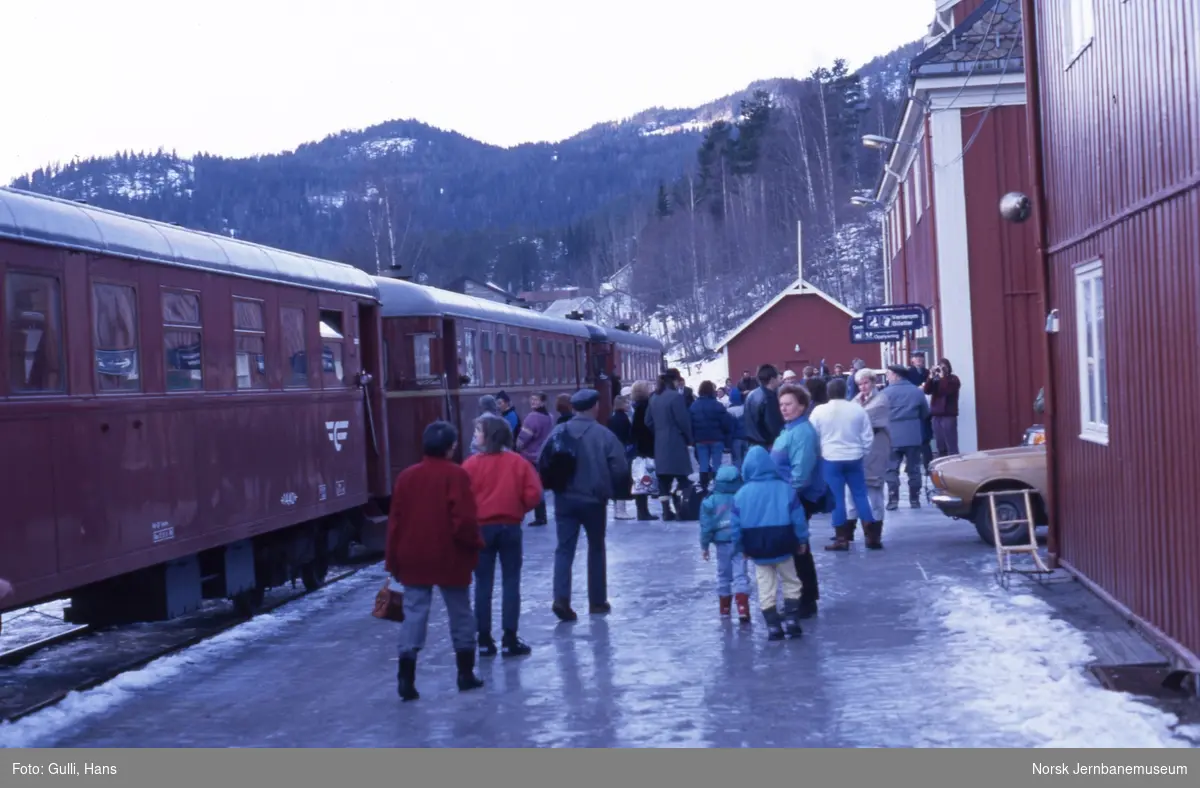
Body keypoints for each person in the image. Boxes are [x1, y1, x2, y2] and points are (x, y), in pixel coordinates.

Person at [386, 421, 485, 702]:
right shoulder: (456, 476)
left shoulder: (406, 477)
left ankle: (406, 677)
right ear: (450, 447)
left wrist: (392, 559)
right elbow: (464, 520)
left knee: (414, 613)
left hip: (413, 555)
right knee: (460, 613)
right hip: (450, 555)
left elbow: (396, 521)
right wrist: (474, 545)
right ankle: (465, 674)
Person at [539, 388, 629, 622]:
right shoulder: (604, 435)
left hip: (564, 500)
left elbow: (542, 460)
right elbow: (620, 467)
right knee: (596, 548)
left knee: (564, 549)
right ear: (594, 407)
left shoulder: (558, 431)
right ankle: (597, 602)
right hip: (594, 501)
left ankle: (561, 599)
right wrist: (610, 488)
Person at [462, 416, 542, 659]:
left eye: (478, 431)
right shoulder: (517, 463)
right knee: (511, 582)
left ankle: (484, 640)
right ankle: (509, 638)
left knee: (483, 585)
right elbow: (534, 494)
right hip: (509, 527)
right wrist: (517, 509)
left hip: (481, 529)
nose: (475, 435)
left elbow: (462, 497)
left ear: (489, 436)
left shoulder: (470, 466)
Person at [729, 445, 812, 641]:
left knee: (766, 586)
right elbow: (798, 519)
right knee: (791, 580)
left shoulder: (740, 495)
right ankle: (792, 620)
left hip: (757, 547)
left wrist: (741, 548)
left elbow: (735, 527)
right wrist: (802, 540)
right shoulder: (786, 489)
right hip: (784, 543)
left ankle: (773, 626)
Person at [768, 382, 824, 618]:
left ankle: (805, 600)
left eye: (789, 404)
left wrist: (787, 500)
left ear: (802, 406)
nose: (784, 408)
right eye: (781, 404)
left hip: (796, 497)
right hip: (787, 496)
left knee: (798, 548)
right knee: (796, 548)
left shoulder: (802, 432)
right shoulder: (790, 429)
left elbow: (801, 474)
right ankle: (803, 598)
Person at [810, 378, 877, 551]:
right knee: (860, 494)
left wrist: (818, 454)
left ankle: (841, 538)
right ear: (846, 391)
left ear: (828, 392)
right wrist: (863, 452)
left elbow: (813, 436)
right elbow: (868, 435)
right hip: (854, 457)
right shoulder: (857, 409)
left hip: (831, 458)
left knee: (837, 498)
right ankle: (872, 535)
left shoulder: (819, 411)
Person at [845, 367, 892, 549]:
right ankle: (847, 532)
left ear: (872, 382)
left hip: (876, 447)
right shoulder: (856, 400)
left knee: (874, 492)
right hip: (858, 451)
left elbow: (866, 418)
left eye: (865, 382)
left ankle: (873, 535)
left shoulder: (881, 400)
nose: (863, 387)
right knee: (852, 491)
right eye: (859, 384)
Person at [699, 465, 750, 622]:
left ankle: (725, 609)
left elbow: (706, 526)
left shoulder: (710, 500)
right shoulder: (743, 497)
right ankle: (742, 608)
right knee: (741, 575)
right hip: (740, 542)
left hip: (721, 544)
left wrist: (705, 546)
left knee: (723, 575)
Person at [646, 371, 695, 521]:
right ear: (674, 381)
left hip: (660, 443)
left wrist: (659, 432)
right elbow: (683, 421)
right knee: (682, 479)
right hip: (676, 442)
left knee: (663, 481)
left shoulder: (654, 397)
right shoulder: (675, 397)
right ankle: (682, 509)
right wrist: (689, 438)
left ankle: (666, 511)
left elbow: (647, 421)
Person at [884, 365, 931, 510]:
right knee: (914, 469)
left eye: (889, 374)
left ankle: (893, 500)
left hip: (892, 435)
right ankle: (915, 499)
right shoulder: (917, 392)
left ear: (897, 375)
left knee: (891, 469)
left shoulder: (885, 393)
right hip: (913, 434)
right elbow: (925, 413)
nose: (887, 377)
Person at [515, 391, 554, 525]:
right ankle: (541, 516)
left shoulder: (532, 417)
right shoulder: (549, 417)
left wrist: (517, 448)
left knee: (527, 486)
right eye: (532, 400)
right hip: (542, 456)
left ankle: (529, 515)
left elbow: (523, 439)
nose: (533, 402)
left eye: (536, 400)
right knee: (539, 486)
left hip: (530, 457)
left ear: (543, 402)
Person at [689, 380, 731, 490]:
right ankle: (718, 485)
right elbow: (726, 422)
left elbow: (690, 423)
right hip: (716, 439)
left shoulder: (694, 406)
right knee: (717, 463)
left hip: (700, 440)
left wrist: (693, 438)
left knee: (703, 463)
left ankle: (704, 486)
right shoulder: (718, 405)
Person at [629, 380, 659, 521]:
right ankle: (643, 511)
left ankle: (642, 510)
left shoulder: (636, 407)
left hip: (639, 447)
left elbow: (634, 431)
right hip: (646, 447)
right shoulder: (646, 407)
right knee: (644, 478)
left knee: (641, 479)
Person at [923, 358, 961, 457]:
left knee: (951, 444)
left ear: (949, 368)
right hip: (936, 415)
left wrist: (943, 376)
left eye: (944, 367)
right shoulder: (936, 379)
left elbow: (946, 390)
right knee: (940, 444)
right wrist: (930, 377)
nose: (942, 369)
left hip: (948, 414)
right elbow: (927, 390)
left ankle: (954, 464)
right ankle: (942, 465)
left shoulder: (954, 379)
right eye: (940, 367)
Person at [606, 395, 636, 520]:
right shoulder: (624, 419)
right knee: (623, 481)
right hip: (623, 451)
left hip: (612, 452)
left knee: (615, 480)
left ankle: (616, 509)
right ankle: (621, 510)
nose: (628, 405)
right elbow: (630, 437)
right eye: (626, 403)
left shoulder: (611, 419)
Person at [744, 364, 784, 450]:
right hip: (767, 445)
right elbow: (773, 425)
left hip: (751, 443)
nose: (780, 378)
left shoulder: (751, 394)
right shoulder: (769, 398)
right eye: (778, 376)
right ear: (772, 379)